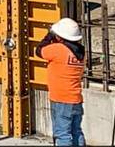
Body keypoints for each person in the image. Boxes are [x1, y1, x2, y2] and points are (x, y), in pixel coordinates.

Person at [36, 17, 86, 146]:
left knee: (62, 134)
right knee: (76, 132)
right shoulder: (81, 52)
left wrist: (49, 35)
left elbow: (39, 50)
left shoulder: (58, 49)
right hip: (76, 98)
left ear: (59, 37)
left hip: (61, 100)